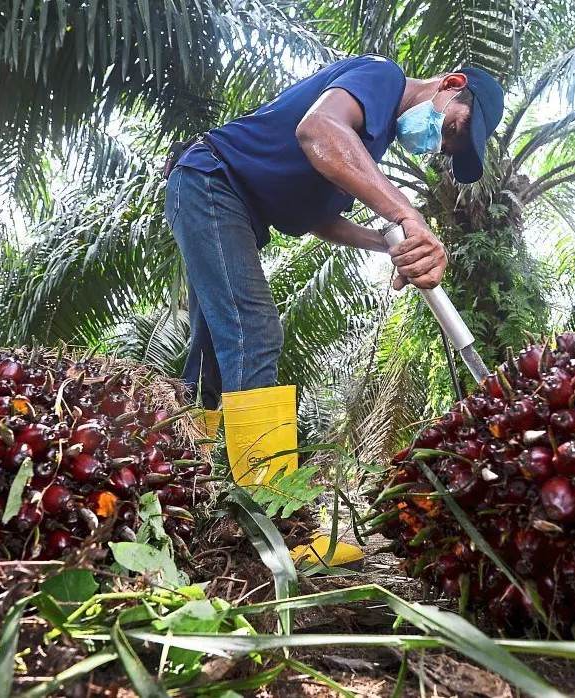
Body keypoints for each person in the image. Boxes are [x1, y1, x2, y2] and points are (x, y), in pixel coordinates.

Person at [164, 54, 505, 565]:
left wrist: (388, 243)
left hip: (226, 198)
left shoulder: (370, 145)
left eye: (448, 146)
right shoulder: (381, 77)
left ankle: (177, 490)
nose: (439, 143)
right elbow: (317, 129)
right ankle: (271, 525)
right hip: (212, 180)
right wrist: (408, 215)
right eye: (452, 129)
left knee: (213, 354)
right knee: (255, 331)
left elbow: (316, 219)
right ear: (451, 86)